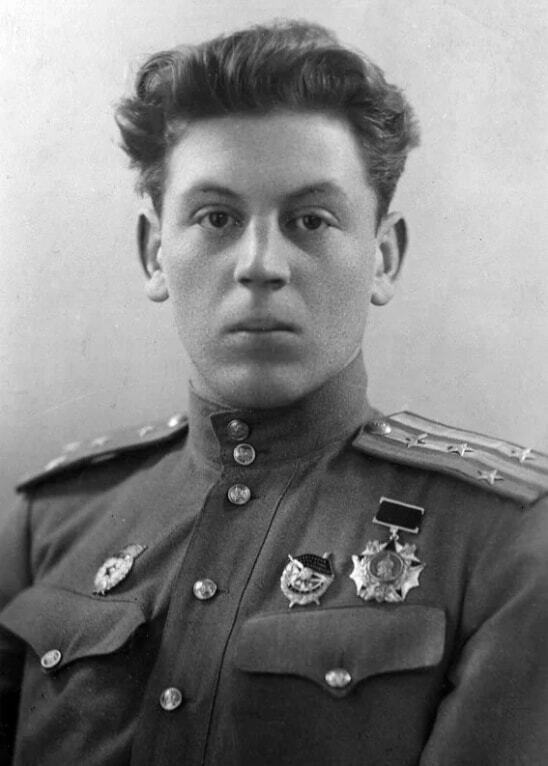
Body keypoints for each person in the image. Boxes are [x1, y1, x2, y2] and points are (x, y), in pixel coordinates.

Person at [0, 19, 547, 766]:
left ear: (383, 257)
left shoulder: (506, 542)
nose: (260, 264)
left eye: (311, 220)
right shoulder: (50, 523)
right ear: (154, 254)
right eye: (217, 218)